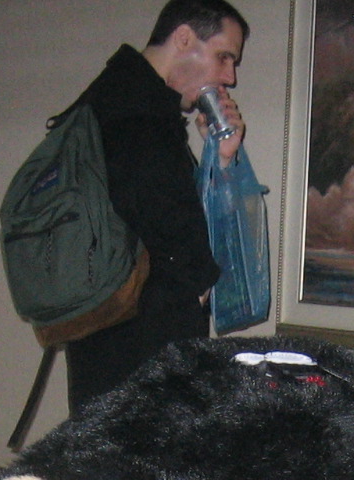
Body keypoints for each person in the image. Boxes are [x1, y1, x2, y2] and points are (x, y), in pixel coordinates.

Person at [63, 0, 249, 406]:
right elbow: (168, 219)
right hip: (139, 339)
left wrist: (218, 156)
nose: (229, 77)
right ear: (183, 38)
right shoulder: (137, 114)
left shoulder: (117, 97)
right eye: (223, 57)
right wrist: (198, 286)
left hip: (112, 332)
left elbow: (152, 206)